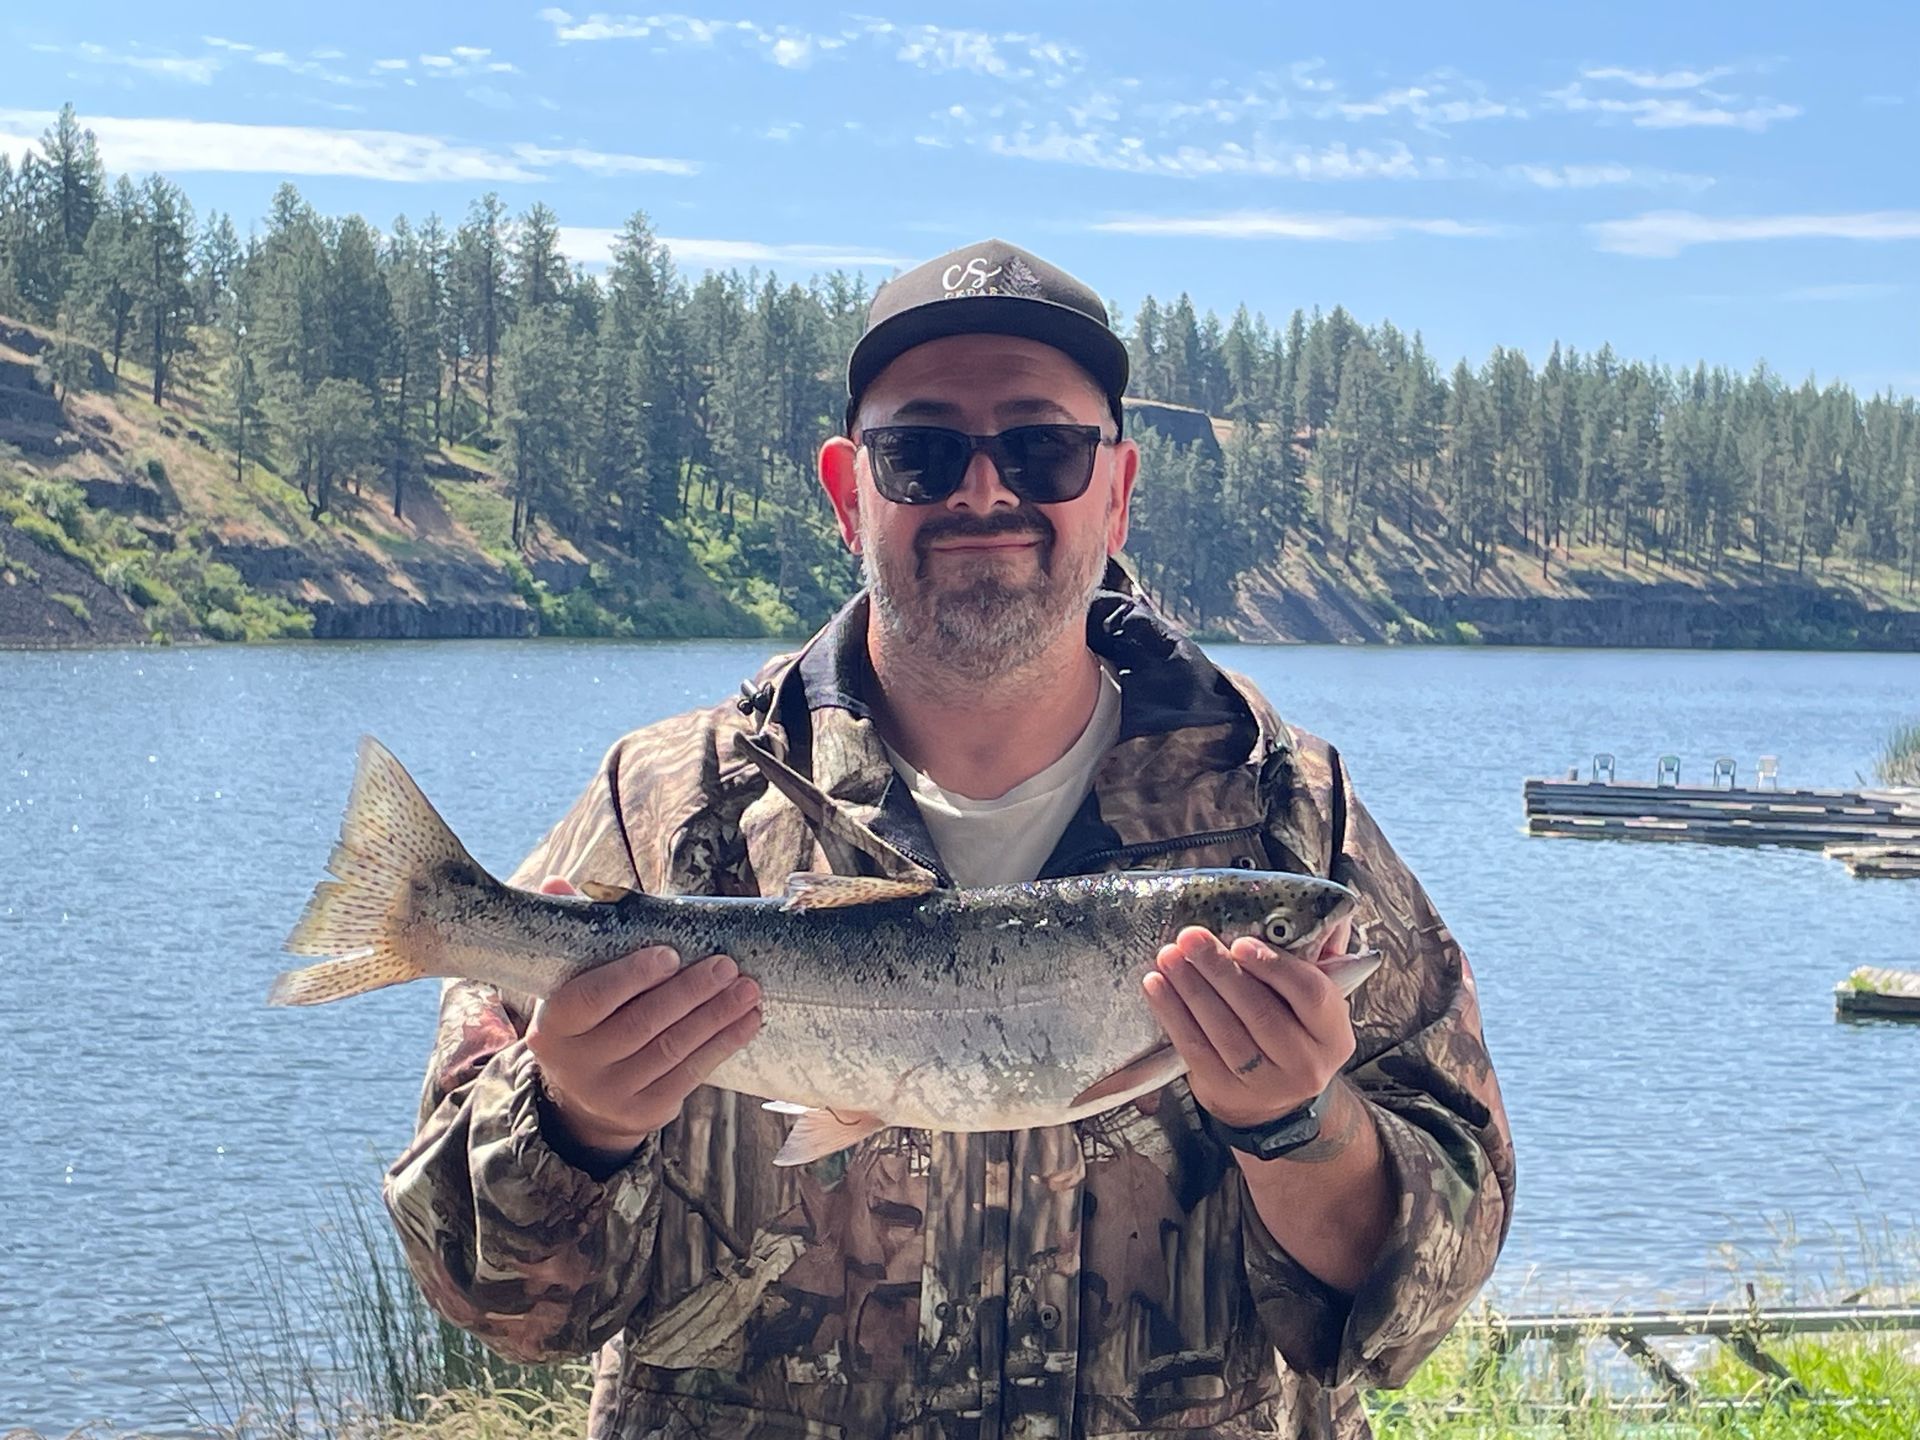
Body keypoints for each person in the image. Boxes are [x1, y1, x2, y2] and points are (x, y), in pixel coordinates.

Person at [385, 239, 1515, 1440]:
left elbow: (1427, 1291)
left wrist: (1302, 1126)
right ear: (845, 491)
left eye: (1042, 447)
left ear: (1118, 487)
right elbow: (486, 1295)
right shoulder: (663, 806)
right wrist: (572, 1119)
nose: (986, 491)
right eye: (921, 453)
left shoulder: (1291, 814)